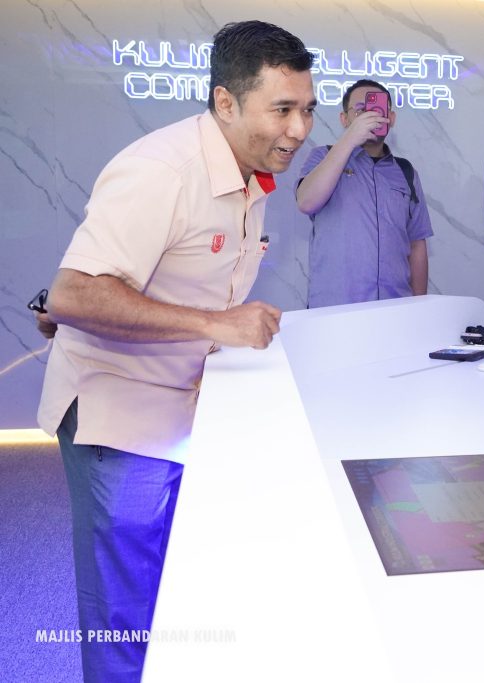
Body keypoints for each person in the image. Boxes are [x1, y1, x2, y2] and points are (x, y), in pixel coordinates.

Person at [33, 21, 315, 681]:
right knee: (127, 612)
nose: (300, 128)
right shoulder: (163, 170)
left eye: (307, 108)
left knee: (177, 590)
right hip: (121, 419)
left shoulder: (250, 174)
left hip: (185, 412)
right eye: (282, 109)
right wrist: (217, 324)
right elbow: (73, 294)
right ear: (226, 102)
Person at [296, 79, 433, 307]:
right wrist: (351, 138)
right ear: (344, 119)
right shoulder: (323, 157)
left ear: (391, 118)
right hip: (335, 310)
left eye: (377, 110)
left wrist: (419, 307)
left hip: (395, 309)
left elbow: (417, 243)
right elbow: (306, 202)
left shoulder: (406, 172)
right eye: (360, 111)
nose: (370, 117)